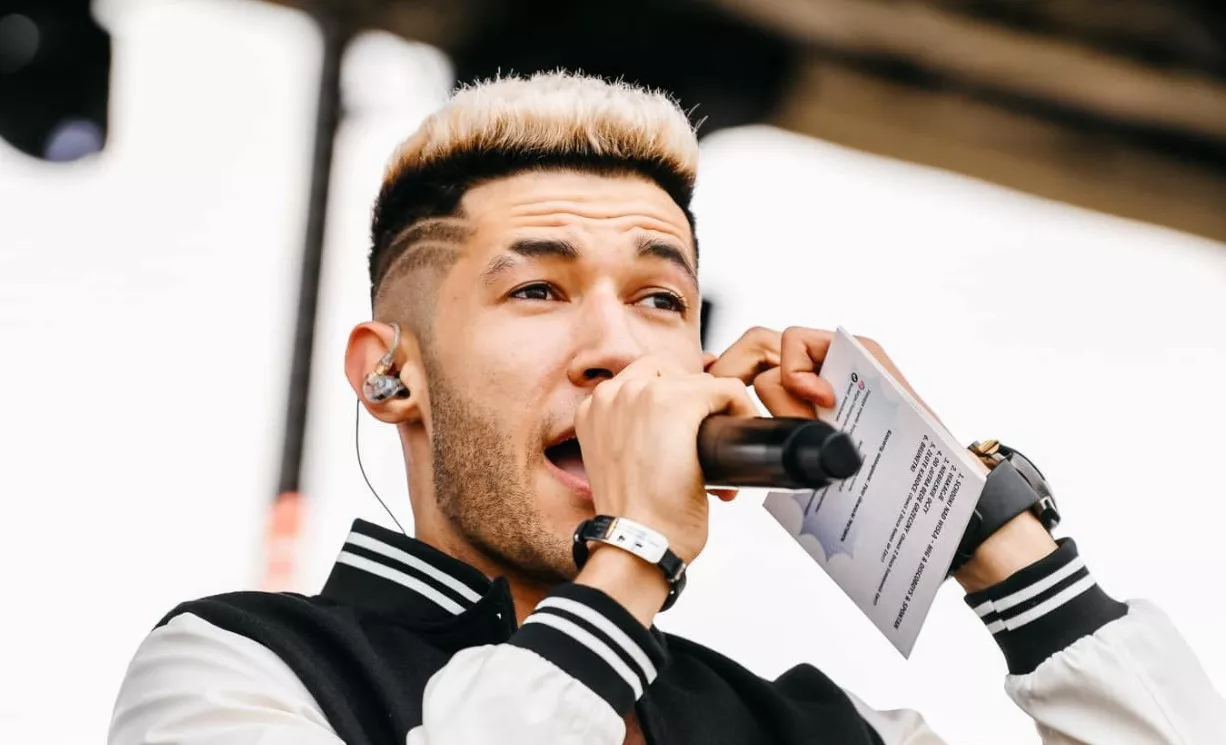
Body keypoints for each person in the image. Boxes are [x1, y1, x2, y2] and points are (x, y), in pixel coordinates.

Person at [109, 71, 1224, 745]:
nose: (616, 349)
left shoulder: (814, 729)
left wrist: (974, 520)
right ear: (388, 374)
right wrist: (634, 551)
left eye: (659, 300)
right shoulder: (237, 667)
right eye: (537, 291)